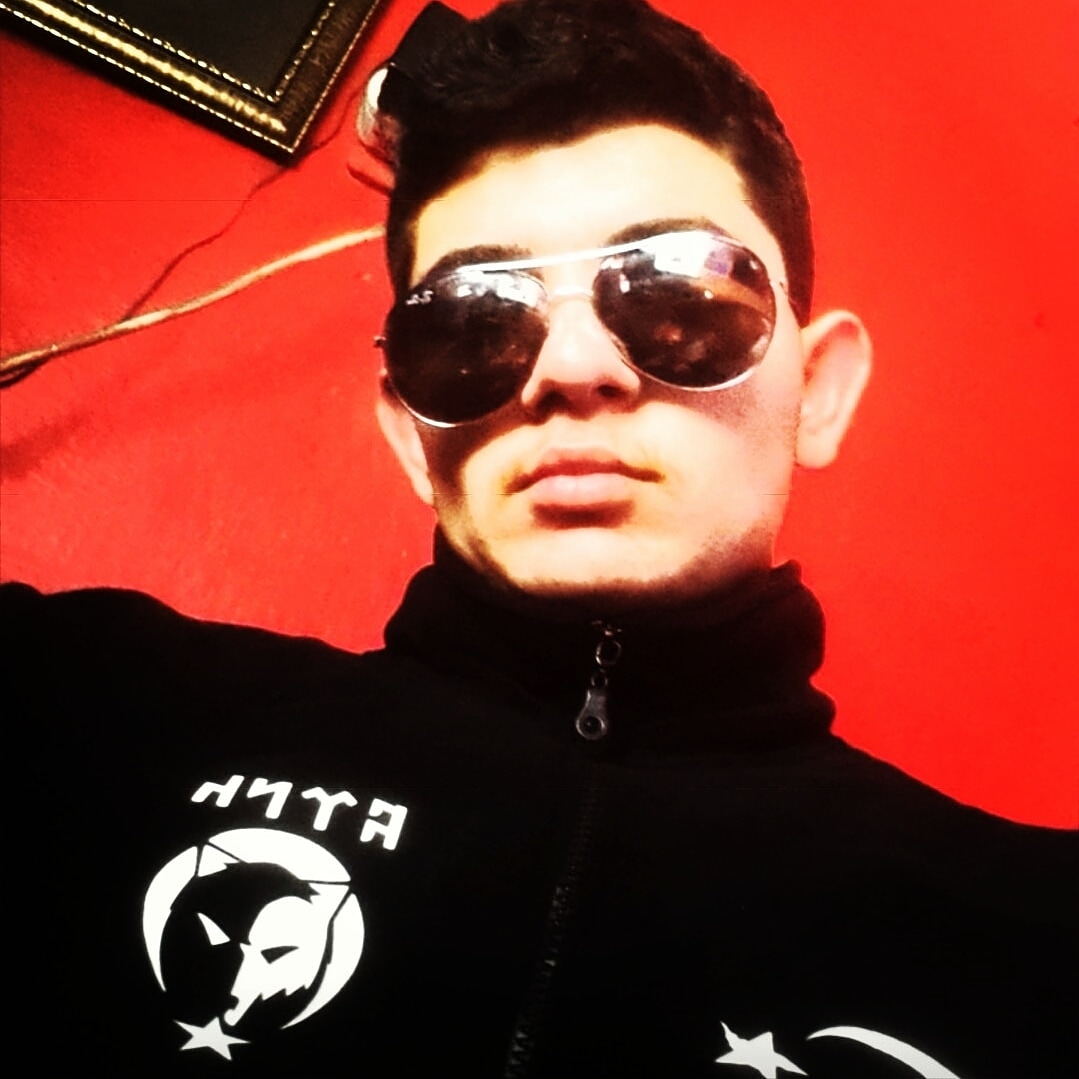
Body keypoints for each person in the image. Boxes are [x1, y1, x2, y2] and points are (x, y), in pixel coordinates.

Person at [4, 1, 1074, 1075]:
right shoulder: (92, 713)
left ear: (819, 391)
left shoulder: (1034, 941)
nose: (570, 367)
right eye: (473, 322)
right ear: (409, 433)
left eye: (678, 294)